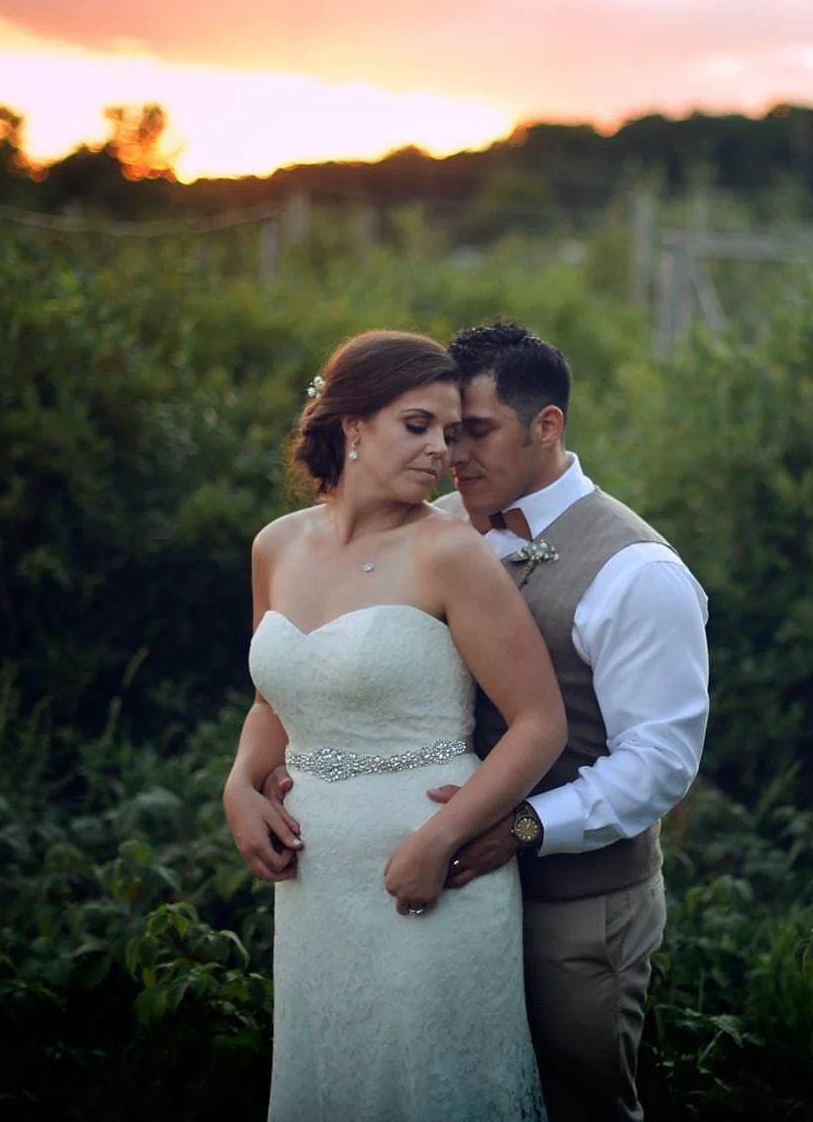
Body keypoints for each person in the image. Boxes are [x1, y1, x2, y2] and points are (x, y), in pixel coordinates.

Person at [223, 329, 566, 1121]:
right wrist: (239, 785)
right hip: (317, 889)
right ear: (351, 425)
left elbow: (538, 722)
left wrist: (438, 840)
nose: (442, 454)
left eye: (450, 434)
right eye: (418, 426)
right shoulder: (276, 547)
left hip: (430, 879)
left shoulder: (452, 554)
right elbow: (276, 697)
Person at [434, 321, 710, 1122]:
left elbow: (658, 762)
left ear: (546, 425)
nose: (455, 456)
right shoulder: (443, 529)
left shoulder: (638, 571)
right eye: (447, 433)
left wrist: (519, 828)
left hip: (578, 911)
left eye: (476, 432)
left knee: (577, 1105)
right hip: (449, 902)